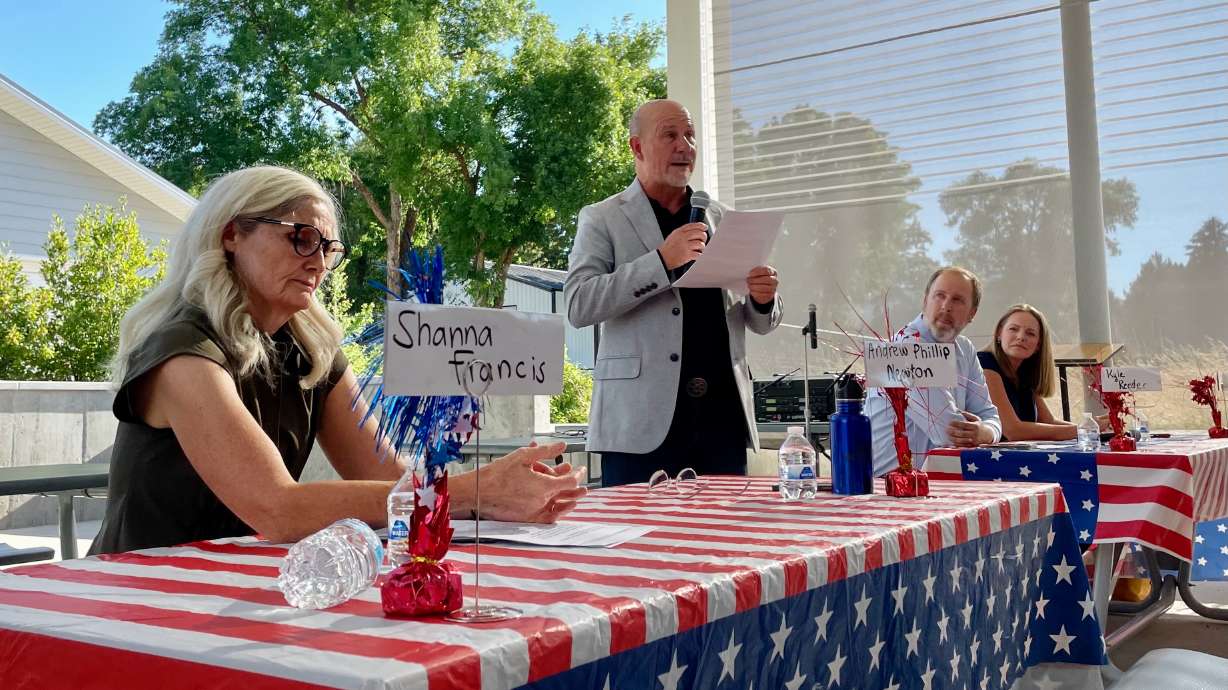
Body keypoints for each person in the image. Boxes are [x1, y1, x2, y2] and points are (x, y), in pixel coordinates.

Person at [89, 166, 586, 555]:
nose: (319, 262)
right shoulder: (181, 348)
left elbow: (391, 481)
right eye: (301, 237)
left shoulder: (312, 352)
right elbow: (278, 509)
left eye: (329, 248)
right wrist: (475, 492)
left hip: (238, 586)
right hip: (140, 595)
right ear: (231, 234)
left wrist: (498, 499)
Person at [564, 99, 783, 487]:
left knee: (726, 527)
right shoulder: (602, 218)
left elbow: (757, 320)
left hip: (722, 420)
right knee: (638, 528)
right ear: (637, 146)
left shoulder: (723, 218)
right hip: (639, 426)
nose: (685, 146)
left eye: (690, 135)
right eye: (670, 135)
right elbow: (580, 304)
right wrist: (661, 261)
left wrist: (763, 300)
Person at [865, 266, 1002, 477]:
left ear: (972, 313)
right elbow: (948, 433)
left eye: (958, 300)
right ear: (925, 301)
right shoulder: (902, 349)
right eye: (940, 296)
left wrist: (987, 432)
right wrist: (980, 431)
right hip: (887, 487)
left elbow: (990, 416)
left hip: (937, 483)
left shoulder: (965, 348)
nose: (946, 306)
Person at [980, 303, 1107, 441]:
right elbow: (1012, 430)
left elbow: (1048, 421)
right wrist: (1085, 429)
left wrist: (1096, 427)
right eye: (1013, 329)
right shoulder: (984, 363)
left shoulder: (1025, 370)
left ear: (1038, 345)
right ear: (999, 333)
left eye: (1030, 333)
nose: (1021, 337)